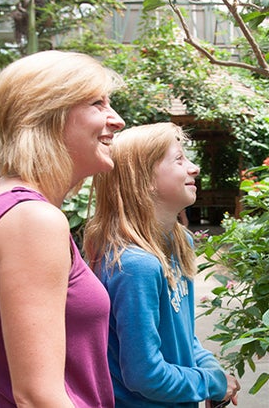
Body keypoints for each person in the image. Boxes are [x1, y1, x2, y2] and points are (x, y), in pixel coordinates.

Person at [0, 50, 126, 407]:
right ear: (47, 114)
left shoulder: (0, 205)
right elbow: (38, 397)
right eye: (98, 103)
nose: (117, 120)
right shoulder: (31, 220)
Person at [83, 123, 240, 408]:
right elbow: (145, 375)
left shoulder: (179, 242)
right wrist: (211, 384)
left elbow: (183, 335)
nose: (194, 169)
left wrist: (210, 367)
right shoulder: (135, 265)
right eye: (179, 159)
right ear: (143, 179)